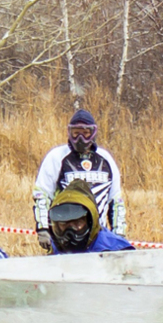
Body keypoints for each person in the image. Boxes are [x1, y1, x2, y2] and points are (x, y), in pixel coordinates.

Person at [32, 109, 126, 251]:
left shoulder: (105, 159)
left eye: (85, 133)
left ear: (93, 133)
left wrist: (119, 235)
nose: (80, 138)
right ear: (69, 133)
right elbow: (42, 195)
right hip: (64, 235)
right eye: (76, 133)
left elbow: (116, 201)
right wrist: (43, 229)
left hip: (98, 237)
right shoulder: (56, 157)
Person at [47, 180, 135, 254]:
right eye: (64, 224)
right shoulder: (55, 250)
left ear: (90, 222)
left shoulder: (117, 249)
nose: (71, 231)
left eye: (78, 223)